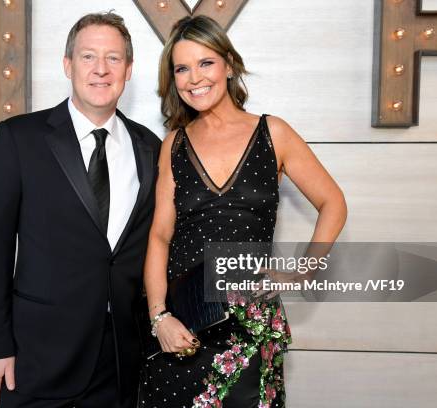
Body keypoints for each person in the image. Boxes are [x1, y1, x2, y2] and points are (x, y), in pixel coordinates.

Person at [140, 15, 347, 407]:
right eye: (182, 68)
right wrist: (159, 317)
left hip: (250, 323)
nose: (194, 78)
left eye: (206, 63)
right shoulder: (175, 144)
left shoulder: (274, 133)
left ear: (229, 65)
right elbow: (160, 236)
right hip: (184, 323)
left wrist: (305, 270)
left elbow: (332, 201)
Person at [0, 11, 161, 408]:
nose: (101, 69)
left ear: (128, 70)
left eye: (113, 58)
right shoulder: (19, 139)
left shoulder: (150, 147)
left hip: (122, 361)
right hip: (37, 356)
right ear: (67, 64)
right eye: (88, 56)